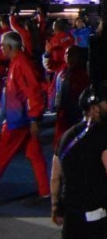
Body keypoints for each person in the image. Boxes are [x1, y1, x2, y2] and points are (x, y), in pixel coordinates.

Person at [50, 84, 107, 238]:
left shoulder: (65, 137)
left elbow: (55, 177)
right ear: (94, 108)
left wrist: (55, 206)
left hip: (71, 215)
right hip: (97, 214)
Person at [0, 31, 49, 198]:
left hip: (18, 121)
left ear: (8, 46)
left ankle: (45, 191)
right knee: (35, 155)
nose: (1, 49)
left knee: (2, 154)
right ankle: (45, 191)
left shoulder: (21, 64)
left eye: (2, 46)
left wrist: (35, 118)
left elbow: (33, 91)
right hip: (22, 119)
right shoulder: (18, 62)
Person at [53, 46, 90, 149]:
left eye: (70, 54)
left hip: (74, 113)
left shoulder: (81, 74)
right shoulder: (63, 72)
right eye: (66, 54)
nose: (67, 56)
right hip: (62, 112)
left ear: (77, 56)